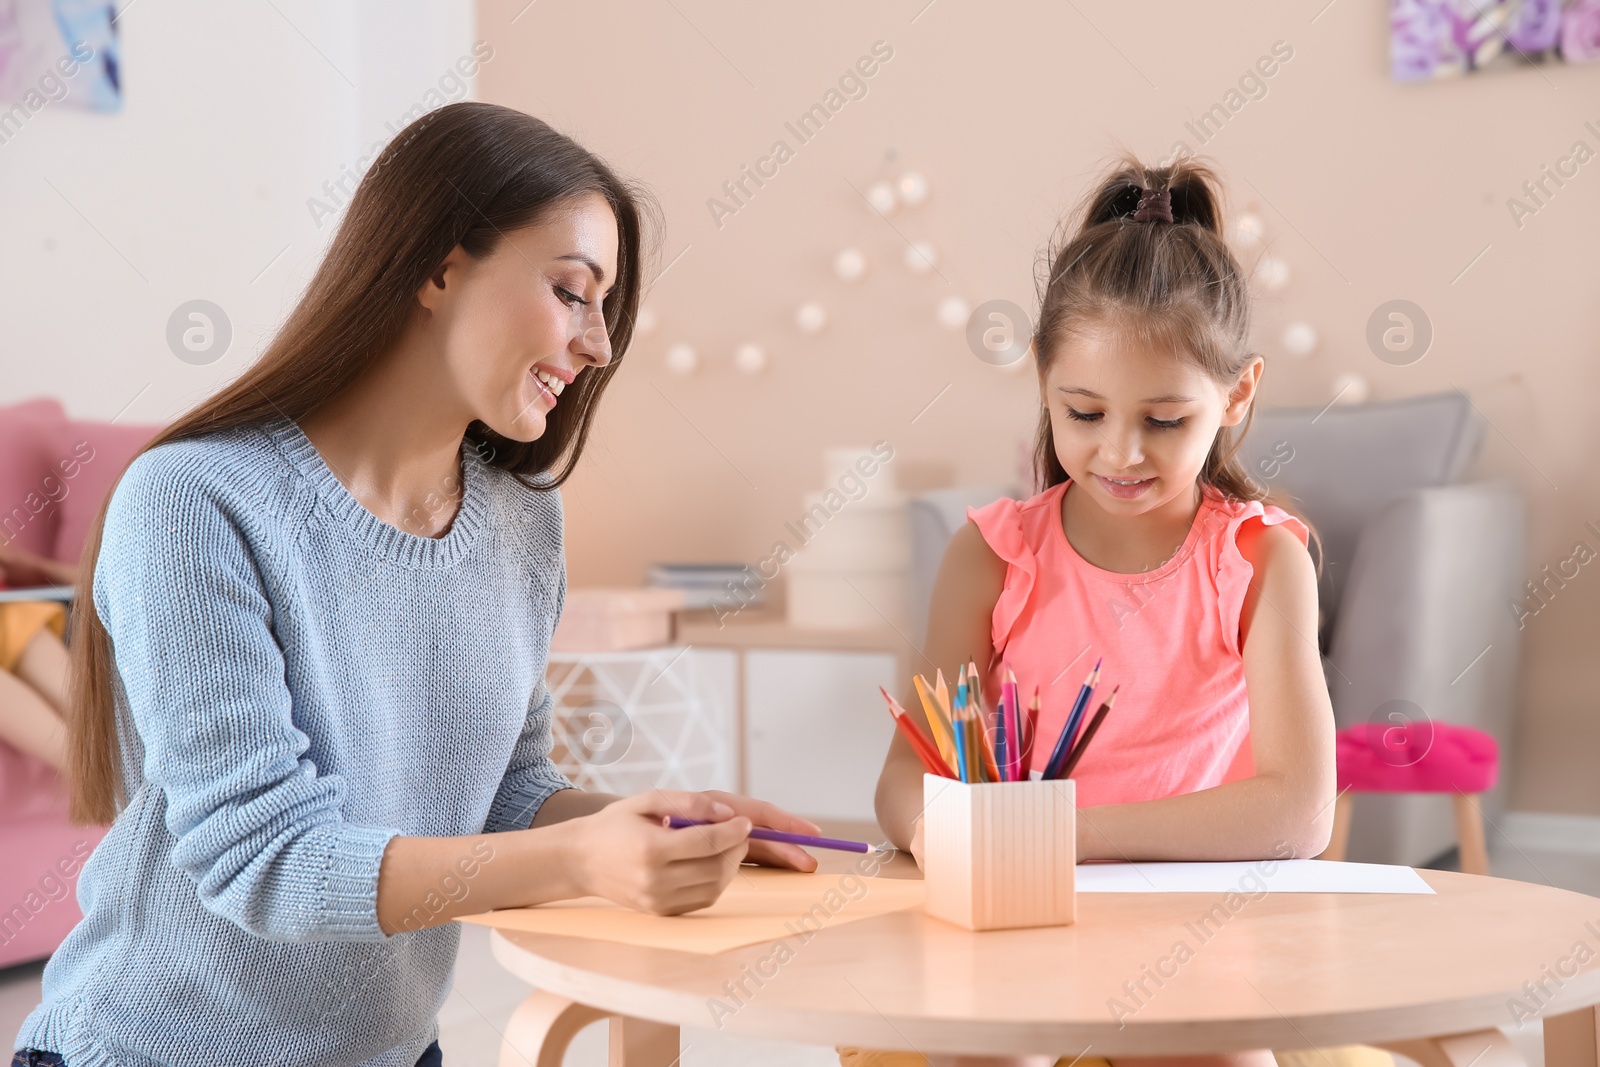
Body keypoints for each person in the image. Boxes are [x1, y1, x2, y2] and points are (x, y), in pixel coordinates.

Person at [14, 102, 821, 1067]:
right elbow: (264, 861)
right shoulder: (195, 503)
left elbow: (505, 794)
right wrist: (578, 861)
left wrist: (656, 827)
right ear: (440, 267)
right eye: (572, 291)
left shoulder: (522, 518)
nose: (599, 344)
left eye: (607, 308)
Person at [856, 155, 1339, 1067]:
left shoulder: (1261, 558)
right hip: (1019, 925)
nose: (1119, 451)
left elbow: (1299, 810)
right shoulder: (992, 555)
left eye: (1164, 421)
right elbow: (903, 776)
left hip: (1199, 923)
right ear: (1043, 380)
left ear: (1237, 394)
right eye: (1083, 412)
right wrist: (938, 831)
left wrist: (1062, 830)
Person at [0, 542, 76, 774]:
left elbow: (99, 576)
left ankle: (105, 762)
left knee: (18, 621)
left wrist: (20, 564)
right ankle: (94, 769)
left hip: (11, 615)